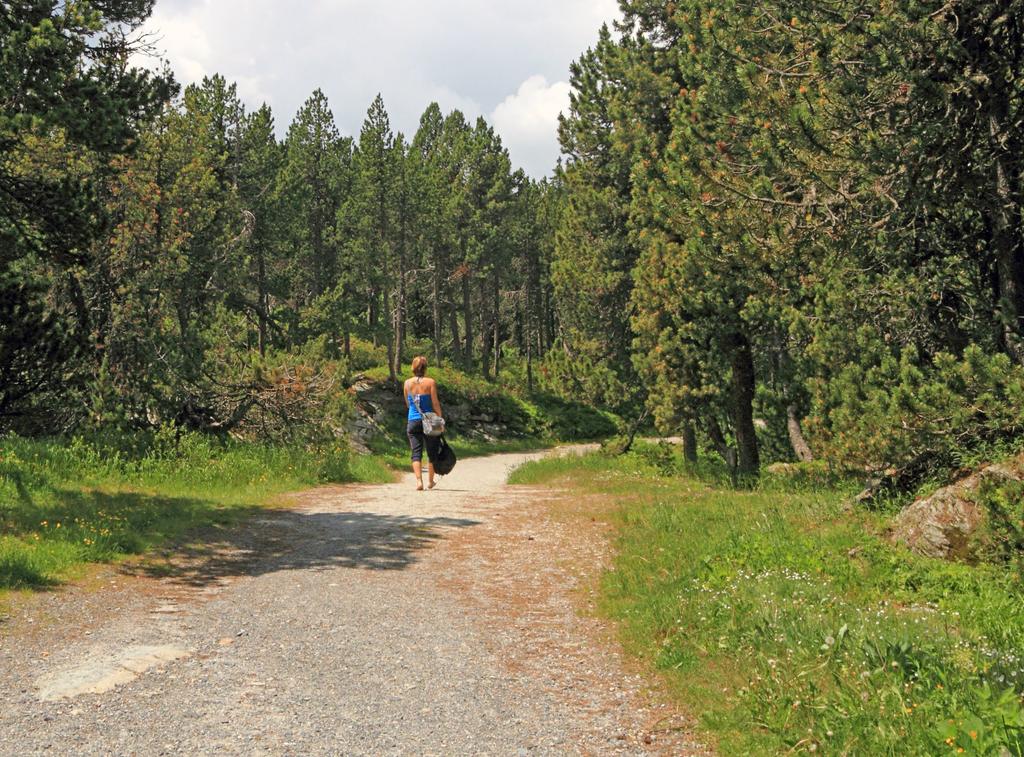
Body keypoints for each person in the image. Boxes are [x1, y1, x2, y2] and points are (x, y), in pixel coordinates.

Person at [404, 356, 443, 491]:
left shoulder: (407, 383)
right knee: (432, 452)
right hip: (430, 421)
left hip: (413, 420)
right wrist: (440, 420)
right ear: (425, 368)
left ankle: (419, 482)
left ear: (413, 368)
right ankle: (430, 482)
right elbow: (435, 403)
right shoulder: (430, 382)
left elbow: (408, 404)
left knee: (416, 452)